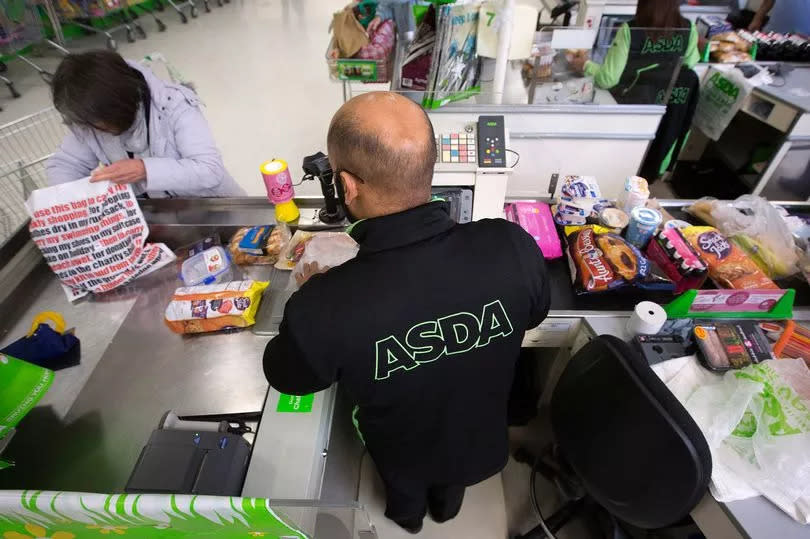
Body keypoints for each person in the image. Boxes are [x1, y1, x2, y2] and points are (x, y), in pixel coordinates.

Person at [263, 92, 550, 533]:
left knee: (404, 491)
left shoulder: (325, 305)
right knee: (453, 488)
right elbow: (532, 315)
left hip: (400, 450)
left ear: (348, 184)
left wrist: (313, 295)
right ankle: (446, 511)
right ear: (429, 165)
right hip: (481, 439)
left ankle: (408, 521)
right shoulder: (512, 246)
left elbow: (288, 376)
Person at [47, 50, 243, 197]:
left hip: (211, 204)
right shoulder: (89, 118)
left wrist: (144, 169)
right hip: (153, 217)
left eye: (101, 125)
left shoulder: (174, 104)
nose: (94, 131)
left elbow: (209, 170)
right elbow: (67, 164)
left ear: (120, 105)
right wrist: (66, 203)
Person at [569, 0, 700, 180]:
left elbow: (608, 79)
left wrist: (585, 65)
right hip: (666, 107)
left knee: (619, 163)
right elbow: (689, 64)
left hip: (632, 108)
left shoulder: (630, 30)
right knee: (645, 161)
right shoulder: (689, 28)